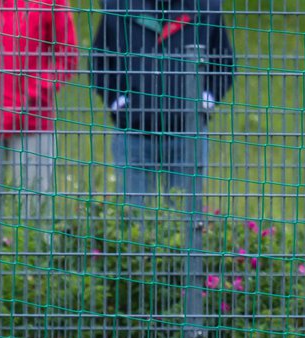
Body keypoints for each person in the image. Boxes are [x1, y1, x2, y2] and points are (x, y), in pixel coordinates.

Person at [89, 0, 235, 212]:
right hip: (133, 130)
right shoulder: (118, 6)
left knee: (184, 216)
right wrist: (117, 101)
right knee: (132, 216)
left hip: (187, 133)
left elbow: (224, 62)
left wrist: (206, 100)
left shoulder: (206, 7)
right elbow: (99, 60)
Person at [0, 0, 79, 219]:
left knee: (34, 206)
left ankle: (33, 251)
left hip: (33, 118)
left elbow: (67, 55)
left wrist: (38, 90)